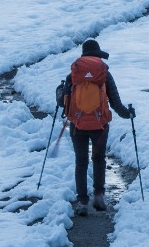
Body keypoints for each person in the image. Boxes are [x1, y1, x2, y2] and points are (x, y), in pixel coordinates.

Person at [56, 38, 134, 211]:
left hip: (77, 124)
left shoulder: (74, 74)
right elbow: (116, 103)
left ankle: (82, 201)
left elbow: (62, 102)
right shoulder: (104, 74)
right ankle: (99, 195)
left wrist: (59, 89)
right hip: (100, 125)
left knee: (81, 161)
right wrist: (128, 114)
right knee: (99, 159)